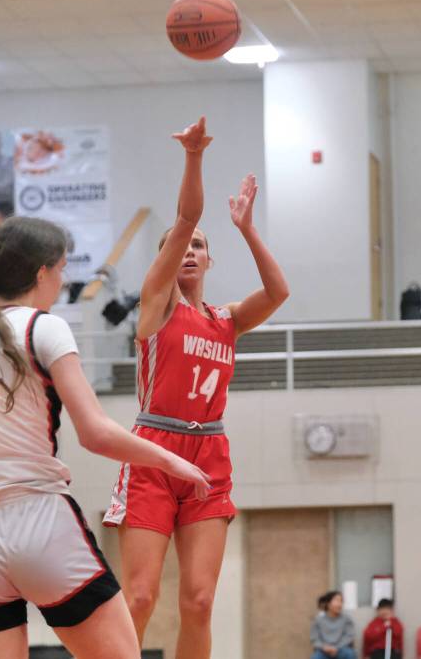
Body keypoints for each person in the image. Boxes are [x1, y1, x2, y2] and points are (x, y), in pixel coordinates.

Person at [0, 215, 210, 659]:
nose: (63, 280)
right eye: (61, 268)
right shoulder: (43, 326)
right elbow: (96, 434)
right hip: (39, 521)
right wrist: (170, 459)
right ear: (41, 273)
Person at [102, 116, 289, 659]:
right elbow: (186, 218)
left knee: (200, 601)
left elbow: (278, 291)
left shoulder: (225, 319)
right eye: (178, 246)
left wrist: (247, 229)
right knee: (140, 597)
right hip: (154, 450)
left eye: (199, 246)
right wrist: (194, 156)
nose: (187, 250)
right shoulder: (158, 306)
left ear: (209, 258)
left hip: (209, 451)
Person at [310, 591, 356, 659]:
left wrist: (336, 648)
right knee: (315, 657)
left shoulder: (347, 619)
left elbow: (349, 636)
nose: (340, 604)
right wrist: (324, 647)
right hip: (324, 650)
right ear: (328, 604)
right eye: (337, 601)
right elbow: (314, 639)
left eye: (341, 601)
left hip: (341, 649)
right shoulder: (318, 620)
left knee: (350, 654)